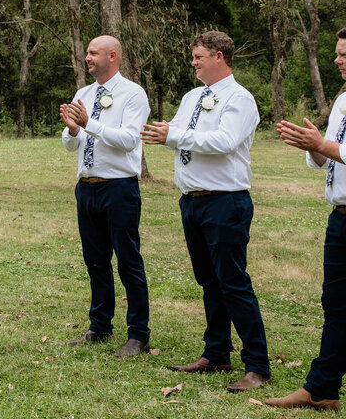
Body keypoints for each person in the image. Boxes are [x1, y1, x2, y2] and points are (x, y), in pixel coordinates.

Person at [142, 31, 270, 393]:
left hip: (225, 201)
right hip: (192, 200)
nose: (194, 62)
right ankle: (216, 353)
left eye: (199, 56)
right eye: (193, 56)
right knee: (208, 281)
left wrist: (174, 135)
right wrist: (166, 134)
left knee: (233, 282)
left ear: (220, 56)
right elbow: (182, 134)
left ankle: (257, 365)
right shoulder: (192, 97)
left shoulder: (239, 99)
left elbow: (226, 142)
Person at [264, 26, 346, 411]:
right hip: (340, 217)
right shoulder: (343, 98)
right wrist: (314, 147)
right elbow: (327, 156)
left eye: (343, 53)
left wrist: (323, 145)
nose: (336, 59)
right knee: (336, 304)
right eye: (336, 51)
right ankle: (322, 389)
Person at [60, 35, 152, 357]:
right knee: (95, 261)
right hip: (87, 187)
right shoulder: (83, 93)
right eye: (87, 52)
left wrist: (90, 123)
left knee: (128, 261)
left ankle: (138, 335)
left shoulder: (133, 94)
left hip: (119, 188)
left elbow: (129, 140)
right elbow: (71, 144)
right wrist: (72, 130)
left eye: (93, 52)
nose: (87, 57)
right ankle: (99, 326)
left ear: (112, 56)